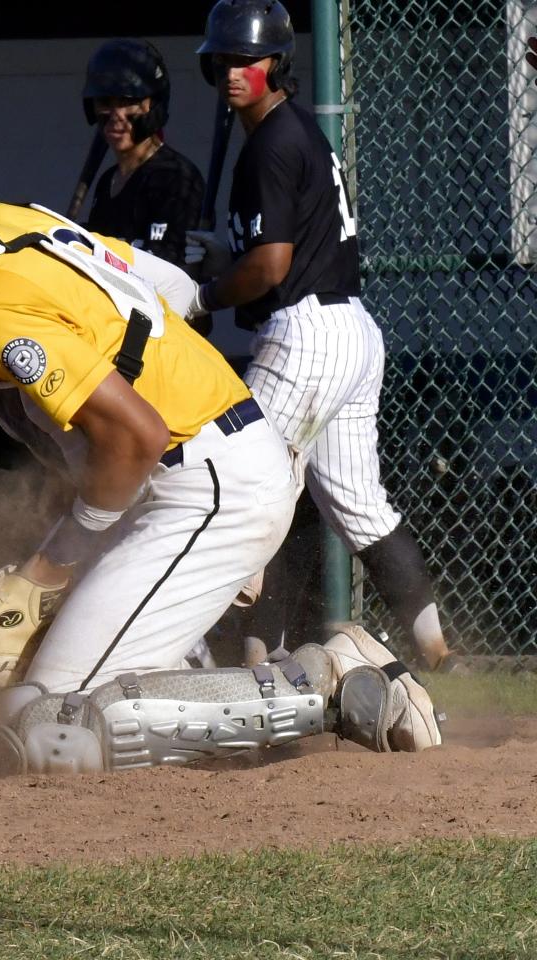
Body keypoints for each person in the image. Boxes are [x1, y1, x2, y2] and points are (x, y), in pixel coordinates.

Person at [0, 119, 442, 774]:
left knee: (50, 727)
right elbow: (166, 285)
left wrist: (48, 572)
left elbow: (133, 434)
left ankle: (333, 683)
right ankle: (222, 682)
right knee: (34, 702)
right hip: (195, 470)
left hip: (197, 479)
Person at [185, 0, 456, 672]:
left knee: (241, 483)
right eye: (225, 58)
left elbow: (271, 266)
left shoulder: (270, 145)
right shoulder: (294, 132)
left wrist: (206, 293)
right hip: (351, 330)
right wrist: (230, 261)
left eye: (248, 58)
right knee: (356, 502)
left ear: (277, 64)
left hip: (305, 331)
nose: (234, 71)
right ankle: (436, 650)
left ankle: (252, 661)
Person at [80, 38, 205, 269]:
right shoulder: (107, 181)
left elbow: (169, 269)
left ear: (153, 105)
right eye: (105, 101)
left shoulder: (174, 176)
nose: (117, 115)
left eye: (129, 102)